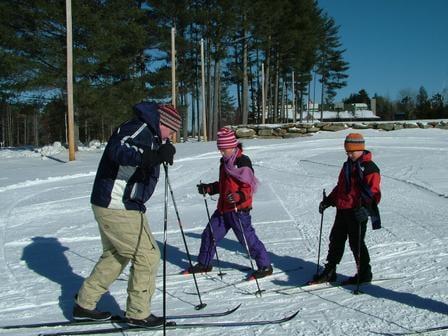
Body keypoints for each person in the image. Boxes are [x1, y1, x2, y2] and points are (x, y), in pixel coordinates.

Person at [73, 102, 181, 327]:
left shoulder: (151, 134)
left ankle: (84, 304)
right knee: (148, 256)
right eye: (171, 130)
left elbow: (149, 155)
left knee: (116, 255)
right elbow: (117, 150)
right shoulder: (138, 128)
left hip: (117, 203)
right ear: (162, 123)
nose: (172, 135)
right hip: (117, 204)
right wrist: (150, 157)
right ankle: (138, 313)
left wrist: (162, 150)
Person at [188, 127, 273, 280]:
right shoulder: (225, 162)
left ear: (232, 146)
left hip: (238, 210)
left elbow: (248, 187)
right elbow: (223, 185)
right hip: (223, 209)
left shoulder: (242, 162)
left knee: (247, 240)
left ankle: (265, 266)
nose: (221, 152)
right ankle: (204, 263)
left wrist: (238, 196)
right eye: (220, 149)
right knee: (209, 234)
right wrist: (209, 188)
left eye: (223, 149)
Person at [310, 133, 382, 285]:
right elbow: (341, 187)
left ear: (361, 149)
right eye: (347, 152)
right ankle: (330, 270)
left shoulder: (370, 168)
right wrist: (329, 200)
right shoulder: (347, 165)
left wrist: (366, 210)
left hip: (357, 212)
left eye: (352, 151)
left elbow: (374, 193)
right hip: (342, 209)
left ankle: (364, 273)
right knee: (335, 239)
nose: (349, 154)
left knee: (356, 243)